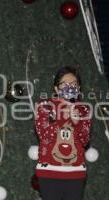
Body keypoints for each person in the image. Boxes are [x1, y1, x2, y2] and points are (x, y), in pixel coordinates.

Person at [34, 66, 91, 200]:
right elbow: (44, 135)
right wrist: (63, 115)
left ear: (79, 88)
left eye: (74, 84)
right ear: (56, 88)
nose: (69, 87)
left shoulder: (84, 109)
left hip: (75, 172)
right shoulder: (45, 105)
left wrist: (77, 122)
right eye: (64, 84)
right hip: (49, 172)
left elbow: (85, 139)